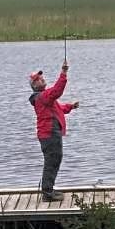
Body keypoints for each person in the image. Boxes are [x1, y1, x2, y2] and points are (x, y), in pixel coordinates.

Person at [29, 60, 79, 201]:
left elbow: (58, 109)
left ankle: (48, 189)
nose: (41, 79)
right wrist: (63, 72)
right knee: (52, 161)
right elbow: (57, 90)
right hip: (49, 134)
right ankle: (47, 193)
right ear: (34, 85)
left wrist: (70, 107)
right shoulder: (43, 96)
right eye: (37, 79)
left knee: (53, 160)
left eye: (41, 77)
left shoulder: (44, 97)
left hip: (50, 134)